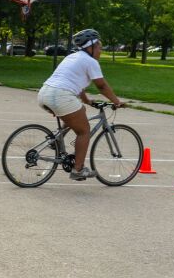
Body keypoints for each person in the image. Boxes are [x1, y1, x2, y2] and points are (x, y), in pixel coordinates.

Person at [37, 28, 125, 181]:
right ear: (91, 47)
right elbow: (101, 86)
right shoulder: (90, 61)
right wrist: (117, 101)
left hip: (44, 94)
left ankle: (57, 138)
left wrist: (87, 101)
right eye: (99, 48)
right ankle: (78, 169)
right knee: (84, 131)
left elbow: (77, 84)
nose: (100, 51)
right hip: (61, 96)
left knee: (80, 110)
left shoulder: (72, 57)